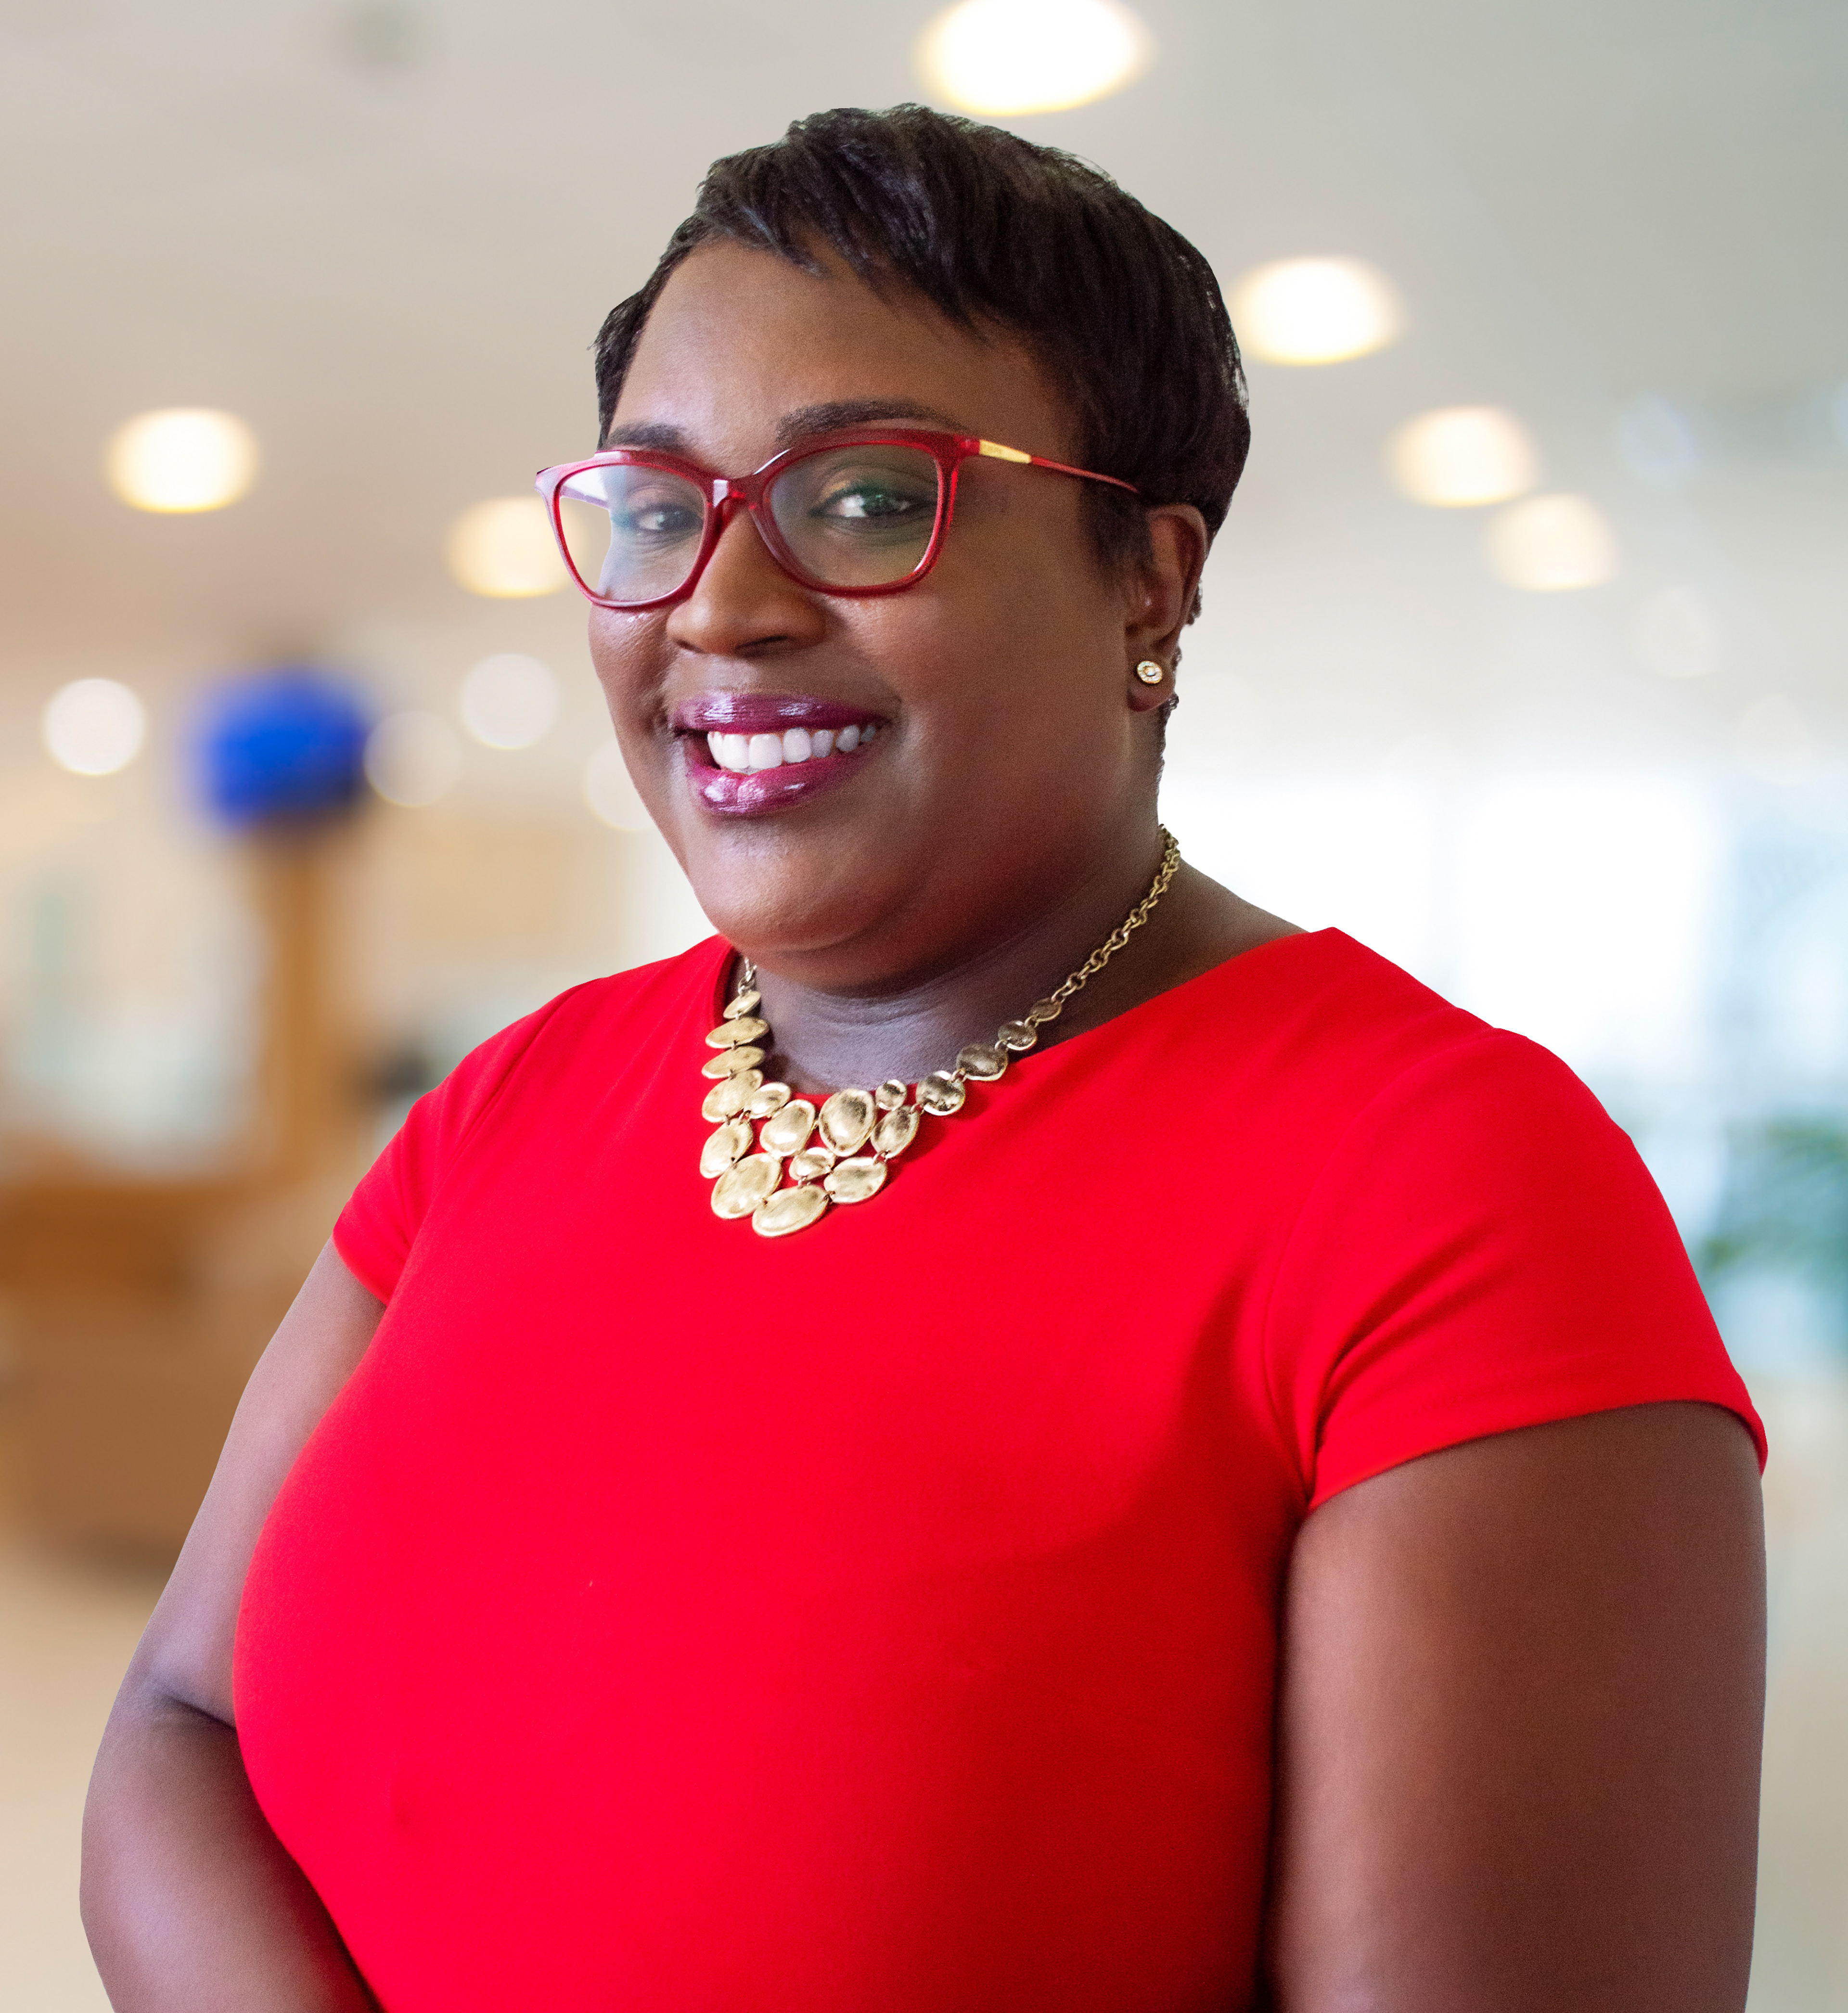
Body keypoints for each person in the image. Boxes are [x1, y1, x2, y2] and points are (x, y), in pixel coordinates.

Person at [82, 105, 1766, 2013]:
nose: (720, 604)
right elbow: (179, 1719)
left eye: (872, 498)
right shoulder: (513, 1100)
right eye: (658, 510)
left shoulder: (1443, 1181)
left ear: (1148, 578)